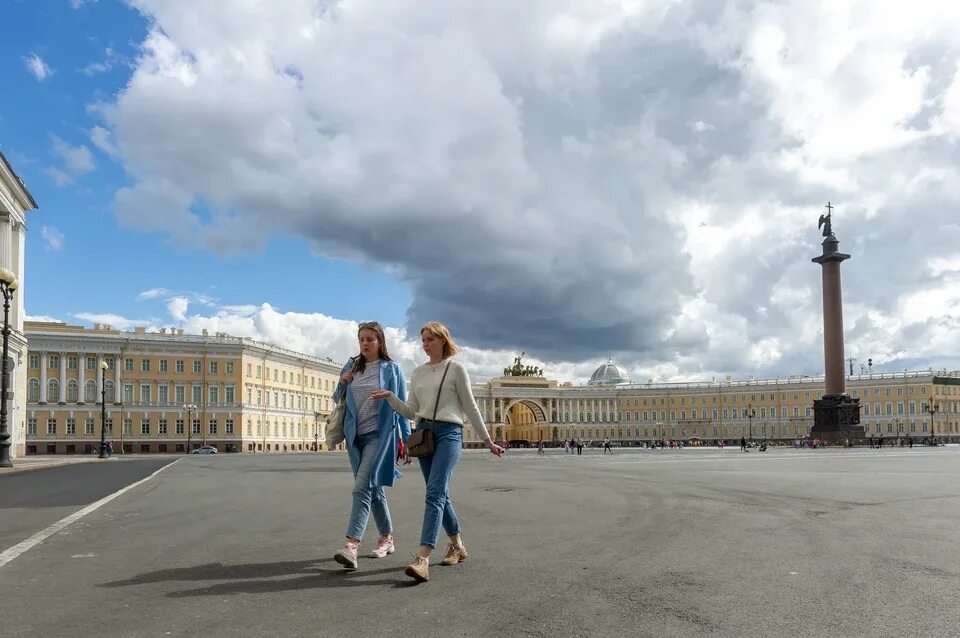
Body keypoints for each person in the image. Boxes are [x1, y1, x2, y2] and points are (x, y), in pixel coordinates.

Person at [373, 321, 504, 583]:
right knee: (439, 494)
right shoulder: (419, 373)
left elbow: (470, 408)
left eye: (430, 339)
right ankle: (457, 545)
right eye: (423, 339)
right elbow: (411, 411)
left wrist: (487, 440)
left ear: (443, 340)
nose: (425, 344)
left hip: (449, 434)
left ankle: (422, 557)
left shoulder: (456, 369)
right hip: (424, 435)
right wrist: (391, 397)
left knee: (434, 492)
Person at [332, 322, 410, 571]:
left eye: (369, 339)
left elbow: (401, 407)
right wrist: (343, 382)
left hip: (380, 436)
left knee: (361, 489)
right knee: (374, 490)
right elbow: (337, 398)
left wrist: (407, 440)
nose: (364, 344)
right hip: (355, 438)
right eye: (361, 339)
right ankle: (387, 538)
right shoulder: (352, 366)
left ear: (380, 342)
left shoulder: (391, 369)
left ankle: (351, 546)